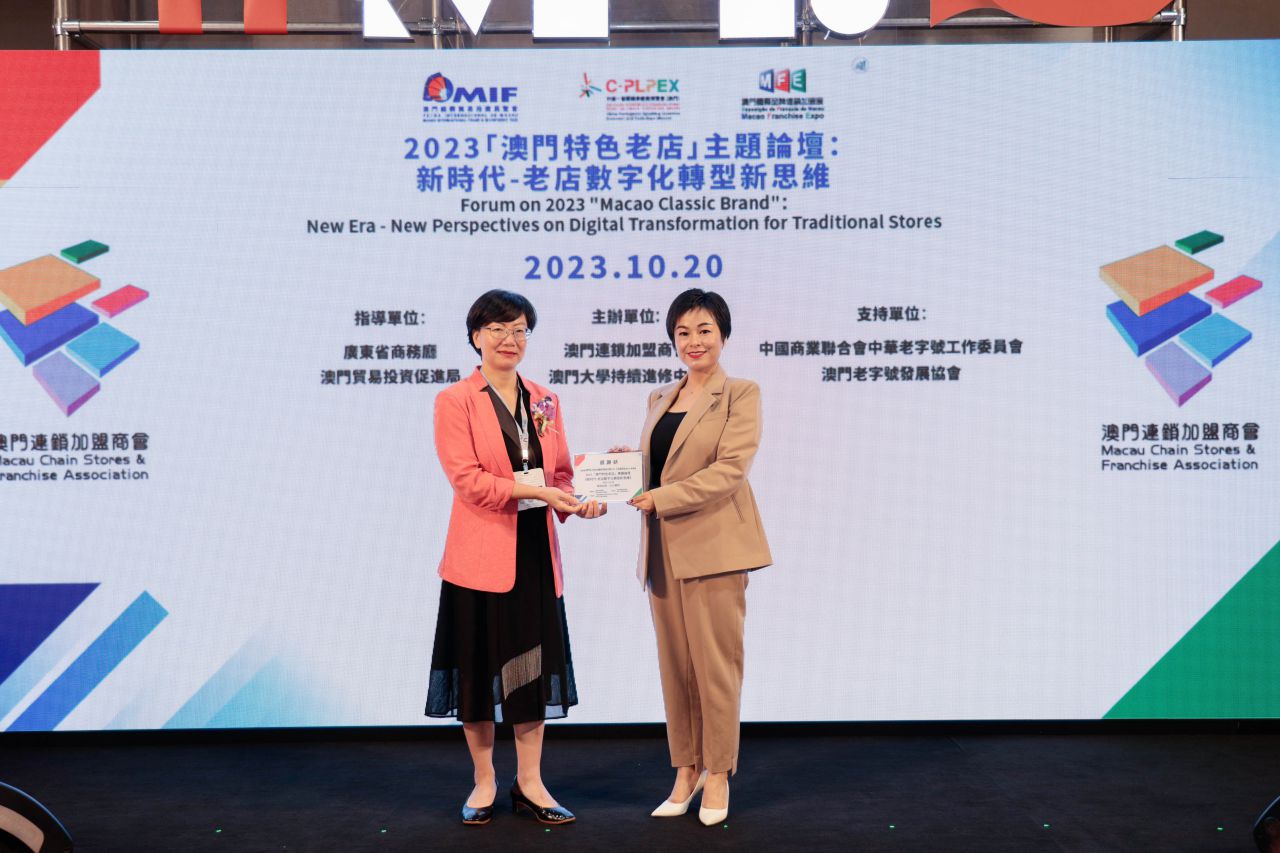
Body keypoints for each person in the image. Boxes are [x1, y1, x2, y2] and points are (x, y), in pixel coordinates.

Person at [425, 289, 605, 827]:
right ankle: (484, 781)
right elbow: (468, 481)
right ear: (476, 336)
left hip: (534, 554)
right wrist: (539, 492)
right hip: (480, 555)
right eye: (499, 329)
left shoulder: (545, 400)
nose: (511, 339)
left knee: (531, 671)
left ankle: (530, 782)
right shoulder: (456, 400)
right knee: (478, 672)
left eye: (521, 329)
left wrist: (581, 501)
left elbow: (561, 475)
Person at [624, 288, 772, 826]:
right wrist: (625, 469)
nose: (694, 341)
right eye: (683, 332)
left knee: (715, 669)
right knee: (676, 669)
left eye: (704, 330)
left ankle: (718, 772)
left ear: (723, 334)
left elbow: (729, 470)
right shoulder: (660, 397)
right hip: (662, 549)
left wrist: (661, 496)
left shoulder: (740, 393)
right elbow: (659, 467)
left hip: (714, 549)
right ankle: (685, 770)